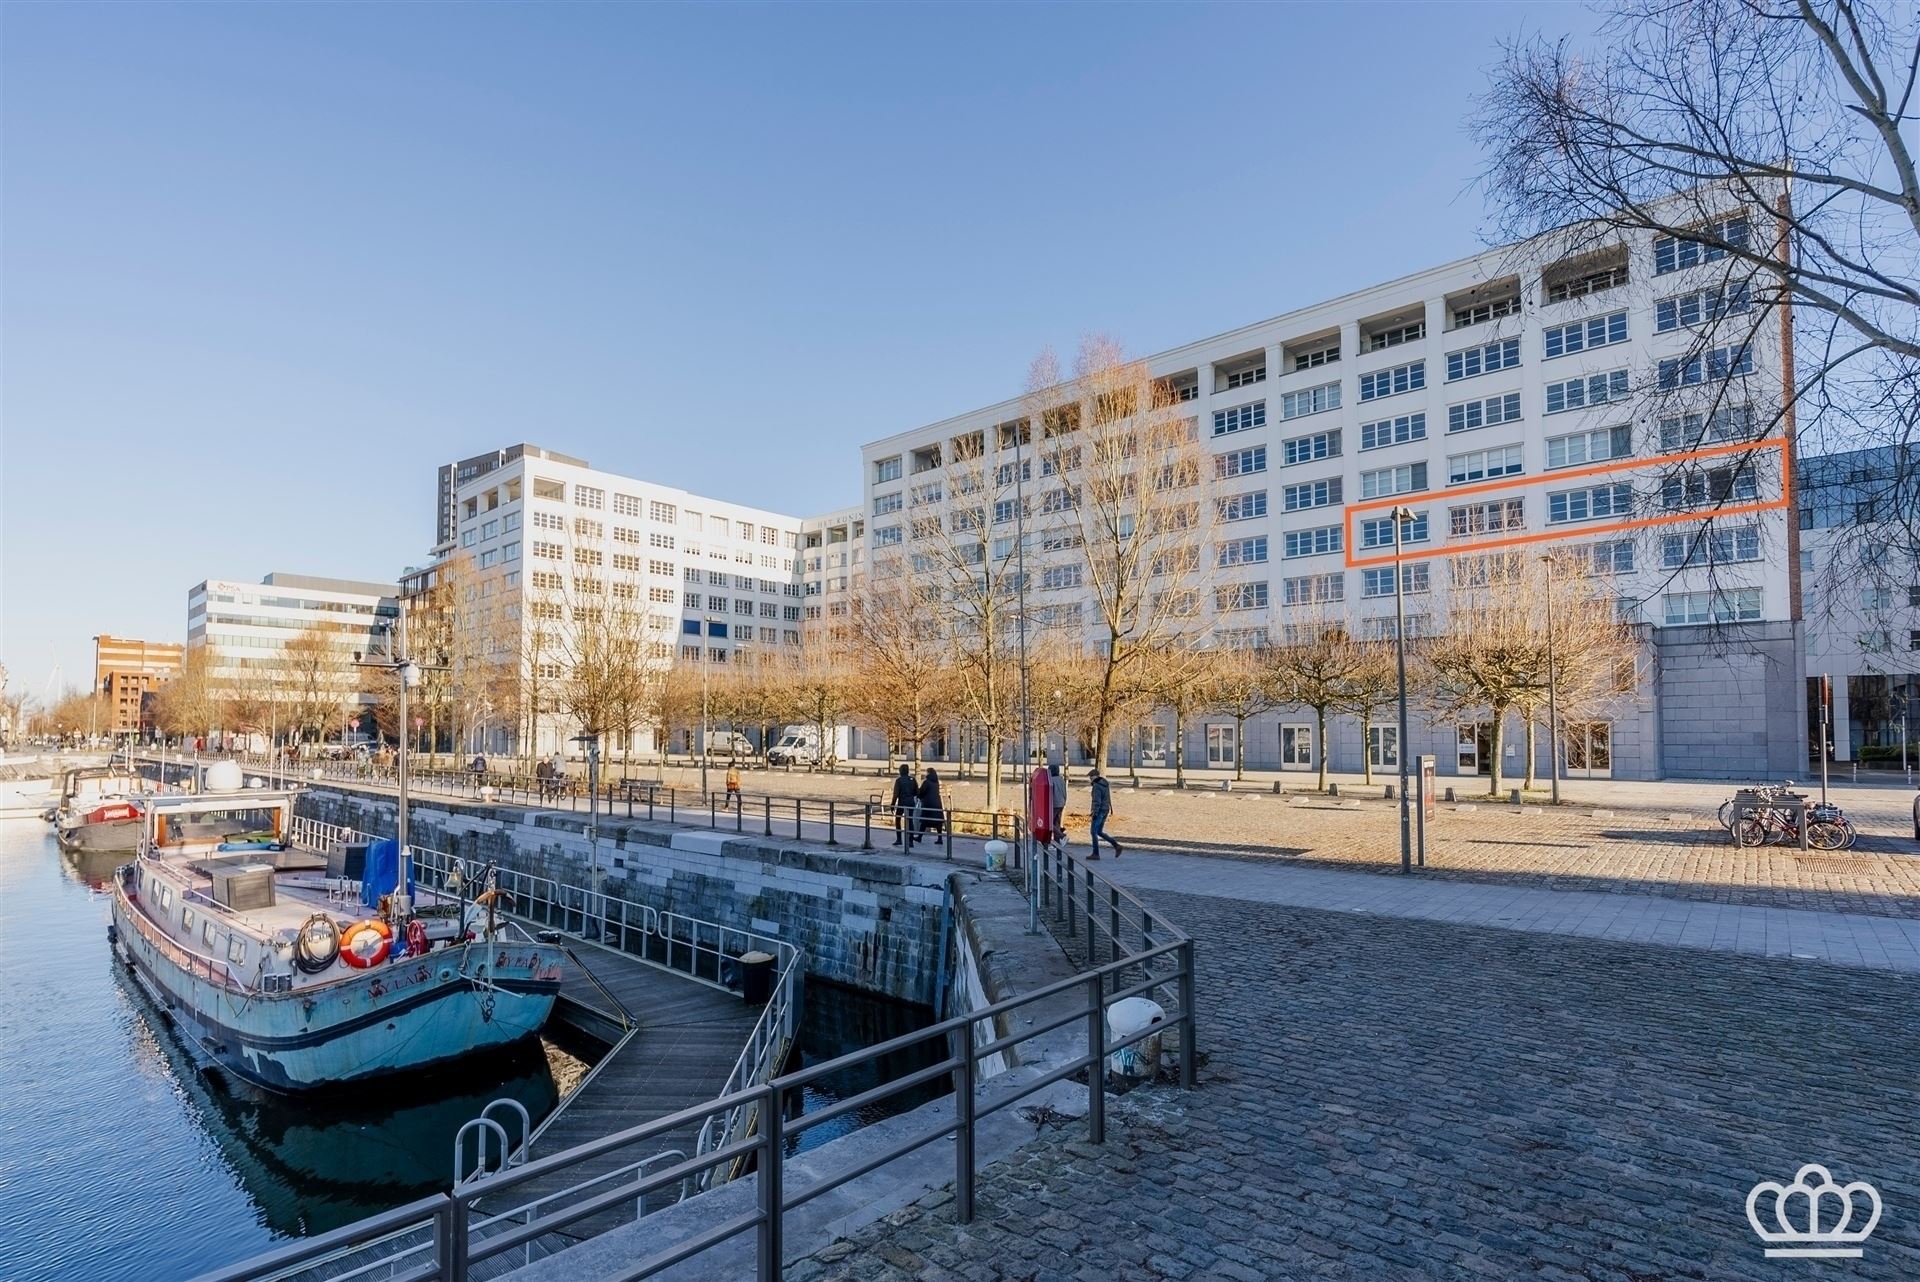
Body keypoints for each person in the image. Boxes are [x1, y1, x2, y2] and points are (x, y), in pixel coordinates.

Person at [1087, 768, 1122, 860]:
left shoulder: (1096, 786)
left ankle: (1096, 853)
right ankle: (1116, 845)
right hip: (1105, 809)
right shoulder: (1105, 784)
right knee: (1099, 831)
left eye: (1091, 777)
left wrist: (1094, 812)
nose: (1090, 778)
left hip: (1099, 811)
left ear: (1095, 776)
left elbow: (1096, 801)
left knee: (1093, 832)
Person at [915, 766, 944, 847]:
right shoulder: (936, 782)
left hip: (928, 804)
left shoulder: (926, 782)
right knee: (938, 822)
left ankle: (919, 837)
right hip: (937, 804)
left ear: (928, 773)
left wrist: (918, 795)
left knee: (924, 821)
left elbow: (921, 792)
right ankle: (940, 838)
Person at [889, 763, 917, 846]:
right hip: (911, 803)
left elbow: (895, 794)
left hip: (902, 804)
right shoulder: (913, 779)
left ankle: (899, 839)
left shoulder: (899, 780)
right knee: (910, 820)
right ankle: (910, 841)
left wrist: (893, 804)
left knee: (898, 820)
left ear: (900, 771)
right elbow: (916, 792)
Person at [1048, 763, 1068, 846]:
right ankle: (1057, 843)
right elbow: (1065, 792)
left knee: (1049, 822)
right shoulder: (1061, 780)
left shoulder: (1051, 780)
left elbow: (1050, 793)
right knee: (1056, 823)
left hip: (1054, 804)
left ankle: (1062, 836)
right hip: (1061, 803)